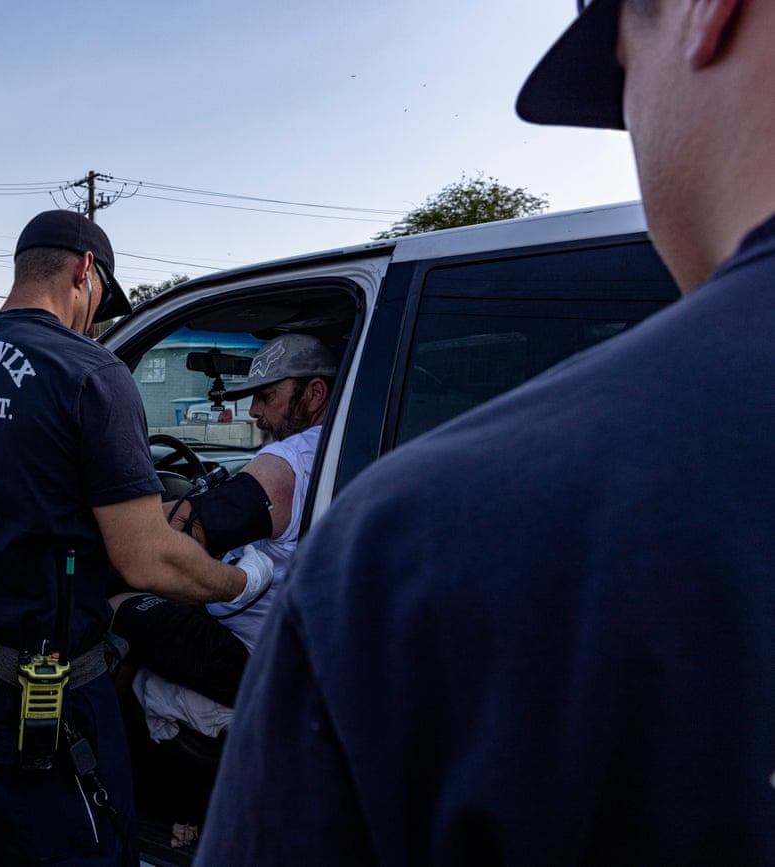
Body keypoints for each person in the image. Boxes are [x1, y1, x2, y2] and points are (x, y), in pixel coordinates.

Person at [196, 1, 775, 864]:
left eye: (618, 69)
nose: (625, 122)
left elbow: (188, 537)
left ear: (703, 9)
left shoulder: (413, 544)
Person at [0, 209, 273, 867]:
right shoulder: (88, 371)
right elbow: (146, 559)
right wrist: (245, 580)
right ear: (84, 270)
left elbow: (8, 494)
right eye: (102, 296)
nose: (99, 315)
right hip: (38, 695)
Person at [110, 333, 339, 718]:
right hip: (302, 654)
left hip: (251, 659)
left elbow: (183, 526)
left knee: (117, 606)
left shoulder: (287, 462)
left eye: (266, 396)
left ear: (315, 393)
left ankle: (103, 750)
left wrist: (109, 516)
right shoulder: (339, 448)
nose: (253, 411)